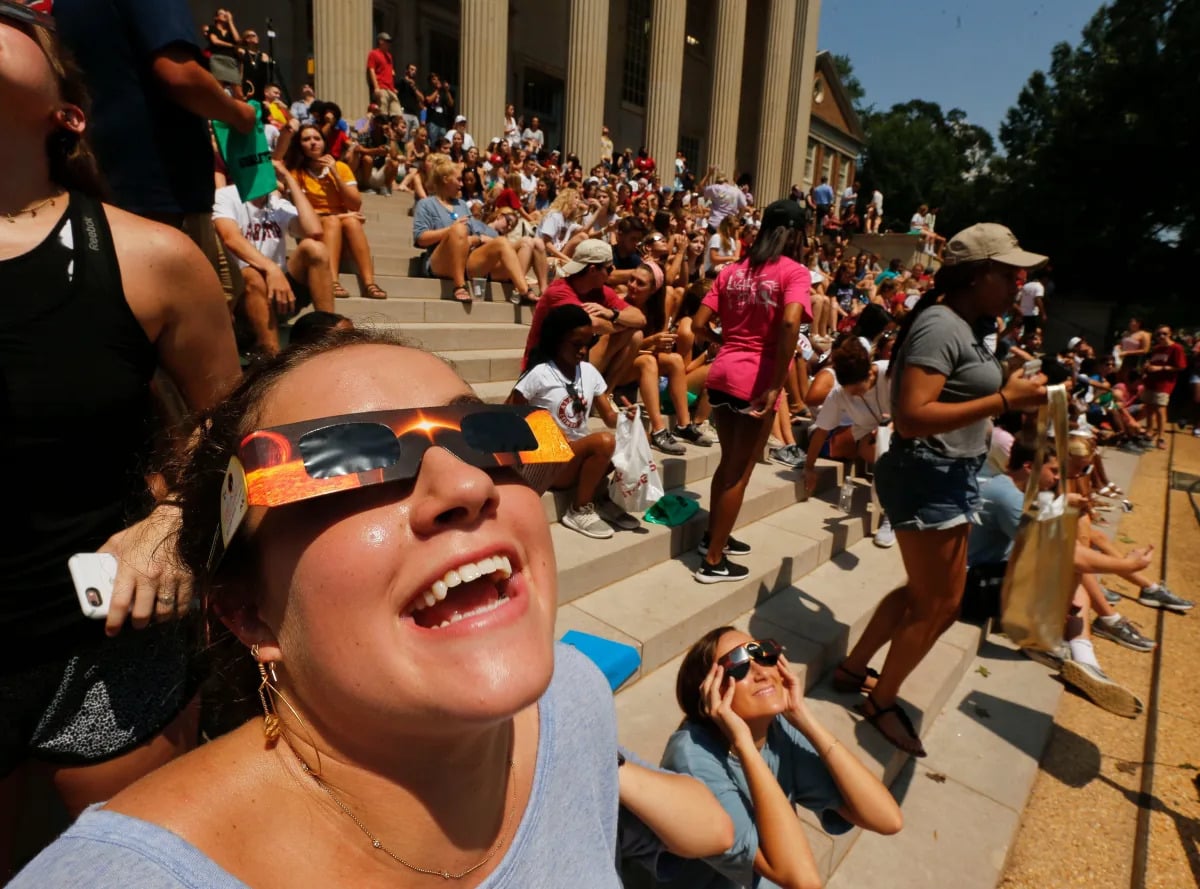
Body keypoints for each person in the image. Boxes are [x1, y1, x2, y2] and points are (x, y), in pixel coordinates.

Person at [9, 329, 630, 888]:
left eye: (488, 436)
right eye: (345, 462)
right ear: (246, 610)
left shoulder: (575, 699)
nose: (467, 486)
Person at [0, 11, 241, 875]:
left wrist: (176, 515)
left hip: (103, 638)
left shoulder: (151, 258)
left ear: (67, 110)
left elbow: (236, 421)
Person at [833, 223, 1048, 756]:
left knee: (922, 593)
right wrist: (1004, 402)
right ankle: (880, 701)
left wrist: (1013, 394)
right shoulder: (940, 325)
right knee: (942, 605)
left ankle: (853, 668)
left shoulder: (966, 324)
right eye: (1007, 271)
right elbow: (910, 416)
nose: (1017, 281)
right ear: (977, 276)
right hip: (928, 473)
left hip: (948, 472)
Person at [659, 628, 902, 888]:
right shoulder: (695, 761)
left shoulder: (778, 729)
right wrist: (743, 744)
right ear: (709, 694)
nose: (762, 673)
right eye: (738, 667)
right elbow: (802, 880)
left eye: (764, 655)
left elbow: (887, 819)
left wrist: (805, 718)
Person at [53, 0, 256, 256]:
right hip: (160, 192)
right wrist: (240, 114)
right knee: (194, 292)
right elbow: (180, 75)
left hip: (91, 184)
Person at [692, 200, 812, 583]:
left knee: (728, 464)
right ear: (796, 234)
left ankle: (715, 535)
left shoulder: (732, 270)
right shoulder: (793, 272)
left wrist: (722, 342)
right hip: (758, 380)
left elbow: (697, 324)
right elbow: (792, 321)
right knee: (739, 473)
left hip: (724, 370)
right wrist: (777, 383)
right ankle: (713, 561)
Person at [509, 304, 642, 538]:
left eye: (588, 344)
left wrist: (626, 417)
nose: (582, 351)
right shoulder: (540, 374)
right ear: (557, 340)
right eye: (576, 344)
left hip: (577, 456)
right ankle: (579, 509)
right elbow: (509, 414)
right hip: (551, 463)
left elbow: (609, 417)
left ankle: (598, 497)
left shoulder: (589, 372)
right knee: (603, 442)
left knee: (628, 442)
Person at [212, 160, 335, 356]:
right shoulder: (226, 196)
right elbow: (230, 238)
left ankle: (330, 335)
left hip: (281, 294)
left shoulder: (277, 204)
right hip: (243, 296)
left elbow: (314, 231)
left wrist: (289, 180)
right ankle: (271, 356)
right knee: (251, 274)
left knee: (315, 249)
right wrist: (272, 268)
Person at [803, 338, 894, 546]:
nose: (853, 395)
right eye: (849, 391)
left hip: (904, 427)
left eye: (857, 389)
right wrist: (809, 467)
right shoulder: (840, 394)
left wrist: (891, 426)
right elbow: (821, 430)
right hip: (868, 433)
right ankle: (890, 506)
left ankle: (892, 514)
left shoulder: (891, 374)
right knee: (878, 453)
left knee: (892, 454)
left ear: (870, 374)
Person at [283, 123, 386, 300]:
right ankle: (332, 280)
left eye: (317, 138)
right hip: (314, 230)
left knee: (351, 222)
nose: (313, 143)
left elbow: (355, 205)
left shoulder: (341, 167)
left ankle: (369, 283)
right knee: (334, 221)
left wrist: (335, 175)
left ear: (324, 143)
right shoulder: (296, 173)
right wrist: (341, 215)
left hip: (342, 229)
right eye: (306, 139)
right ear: (299, 145)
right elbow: (303, 212)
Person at [412, 154, 532, 304]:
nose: (462, 184)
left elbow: (476, 232)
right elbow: (420, 238)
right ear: (445, 179)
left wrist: (480, 238)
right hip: (440, 260)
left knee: (501, 241)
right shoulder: (426, 204)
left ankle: (523, 290)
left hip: (467, 257)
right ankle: (459, 286)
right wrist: (450, 230)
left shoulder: (462, 205)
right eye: (458, 180)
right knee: (459, 229)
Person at [1141, 324, 1187, 449]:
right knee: (1149, 407)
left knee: (1160, 409)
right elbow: (1153, 363)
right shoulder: (1156, 348)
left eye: (1164, 334)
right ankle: (1149, 431)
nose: (1161, 336)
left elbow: (1181, 366)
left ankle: (1161, 437)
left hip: (1164, 383)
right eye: (1159, 334)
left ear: (1170, 334)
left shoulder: (1176, 348)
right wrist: (1147, 367)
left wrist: (1161, 368)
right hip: (1151, 381)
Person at [366, 32, 401, 125]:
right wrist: (376, 87)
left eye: (389, 42)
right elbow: (371, 70)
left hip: (391, 89)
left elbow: (390, 72)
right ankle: (382, 133)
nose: (389, 44)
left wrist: (393, 88)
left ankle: (392, 134)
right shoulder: (373, 53)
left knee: (398, 115)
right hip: (382, 87)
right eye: (387, 41)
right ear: (380, 41)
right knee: (383, 114)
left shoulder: (389, 56)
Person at [424, 71, 454, 145]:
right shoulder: (428, 90)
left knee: (443, 142)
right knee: (433, 142)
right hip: (432, 121)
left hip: (442, 122)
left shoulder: (443, 92)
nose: (437, 81)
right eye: (434, 79)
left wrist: (447, 91)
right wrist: (437, 90)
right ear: (430, 81)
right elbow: (429, 100)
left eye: (438, 79)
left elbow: (451, 104)